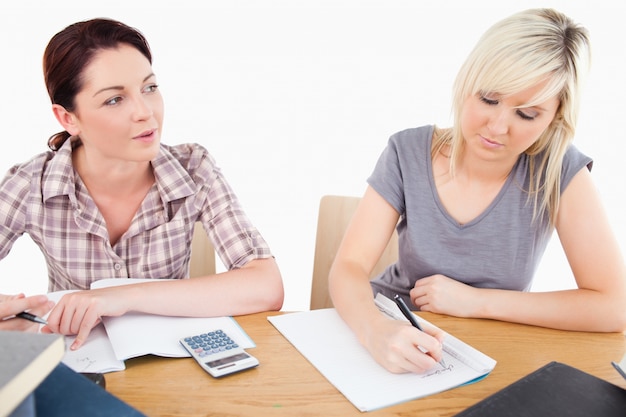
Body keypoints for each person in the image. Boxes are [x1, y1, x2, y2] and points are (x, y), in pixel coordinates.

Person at [328, 8, 626, 375]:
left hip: (491, 351)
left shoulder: (560, 171)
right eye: (488, 98)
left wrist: (475, 302)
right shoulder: (406, 151)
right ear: (466, 83)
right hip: (392, 328)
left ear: (555, 118)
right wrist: (375, 331)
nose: (498, 126)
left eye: (527, 114)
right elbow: (348, 267)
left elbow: (613, 307)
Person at [0, 18, 283, 349]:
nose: (145, 112)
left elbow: (266, 286)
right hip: (78, 360)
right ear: (68, 118)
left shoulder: (193, 168)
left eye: (149, 88)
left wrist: (123, 296)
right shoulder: (33, 183)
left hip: (171, 362)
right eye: (114, 99)